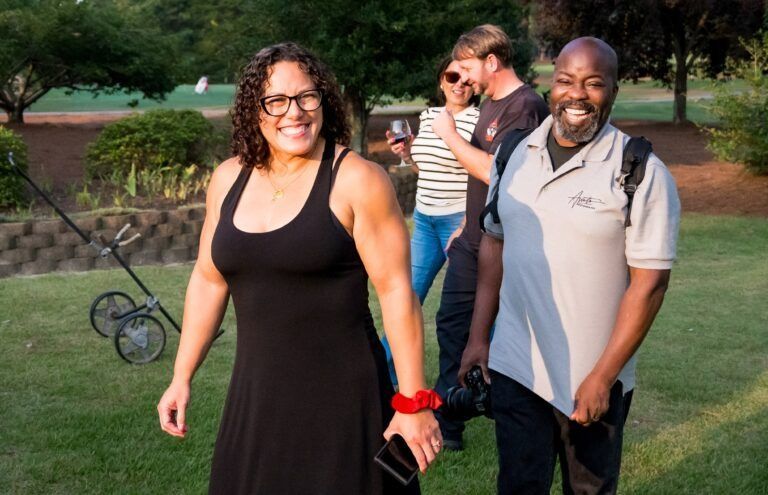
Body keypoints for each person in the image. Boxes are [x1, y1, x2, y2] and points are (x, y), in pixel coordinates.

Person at [156, 42, 442, 495]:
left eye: (307, 97)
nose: (296, 112)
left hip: (345, 402)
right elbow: (208, 281)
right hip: (257, 397)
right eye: (277, 101)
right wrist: (181, 376)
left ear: (323, 100)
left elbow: (396, 293)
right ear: (255, 110)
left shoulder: (357, 180)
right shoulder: (229, 177)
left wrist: (412, 402)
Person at [459, 37, 680, 494]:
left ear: (614, 91)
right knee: (518, 486)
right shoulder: (514, 152)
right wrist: (479, 338)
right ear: (550, 86)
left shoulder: (639, 170)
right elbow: (494, 245)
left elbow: (650, 285)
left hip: (592, 378)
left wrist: (604, 376)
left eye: (593, 83)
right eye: (566, 80)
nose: (577, 94)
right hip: (517, 365)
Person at [429, 24, 549, 450]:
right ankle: (451, 422)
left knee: (509, 337)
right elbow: (484, 182)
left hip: (505, 246)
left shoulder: (526, 107)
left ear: (491, 62)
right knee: (451, 327)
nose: (463, 79)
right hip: (473, 237)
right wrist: (467, 219)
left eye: (467, 68)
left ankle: (507, 414)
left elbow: (501, 173)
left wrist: (448, 135)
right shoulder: (490, 104)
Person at [380, 56, 480, 386]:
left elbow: (480, 174)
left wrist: (469, 221)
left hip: (458, 222)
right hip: (424, 220)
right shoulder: (428, 116)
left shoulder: (479, 121)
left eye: (467, 78)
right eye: (453, 76)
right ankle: (384, 374)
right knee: (406, 296)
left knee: (470, 303)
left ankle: (484, 377)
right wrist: (407, 155)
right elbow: (428, 168)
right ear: (441, 81)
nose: (459, 83)